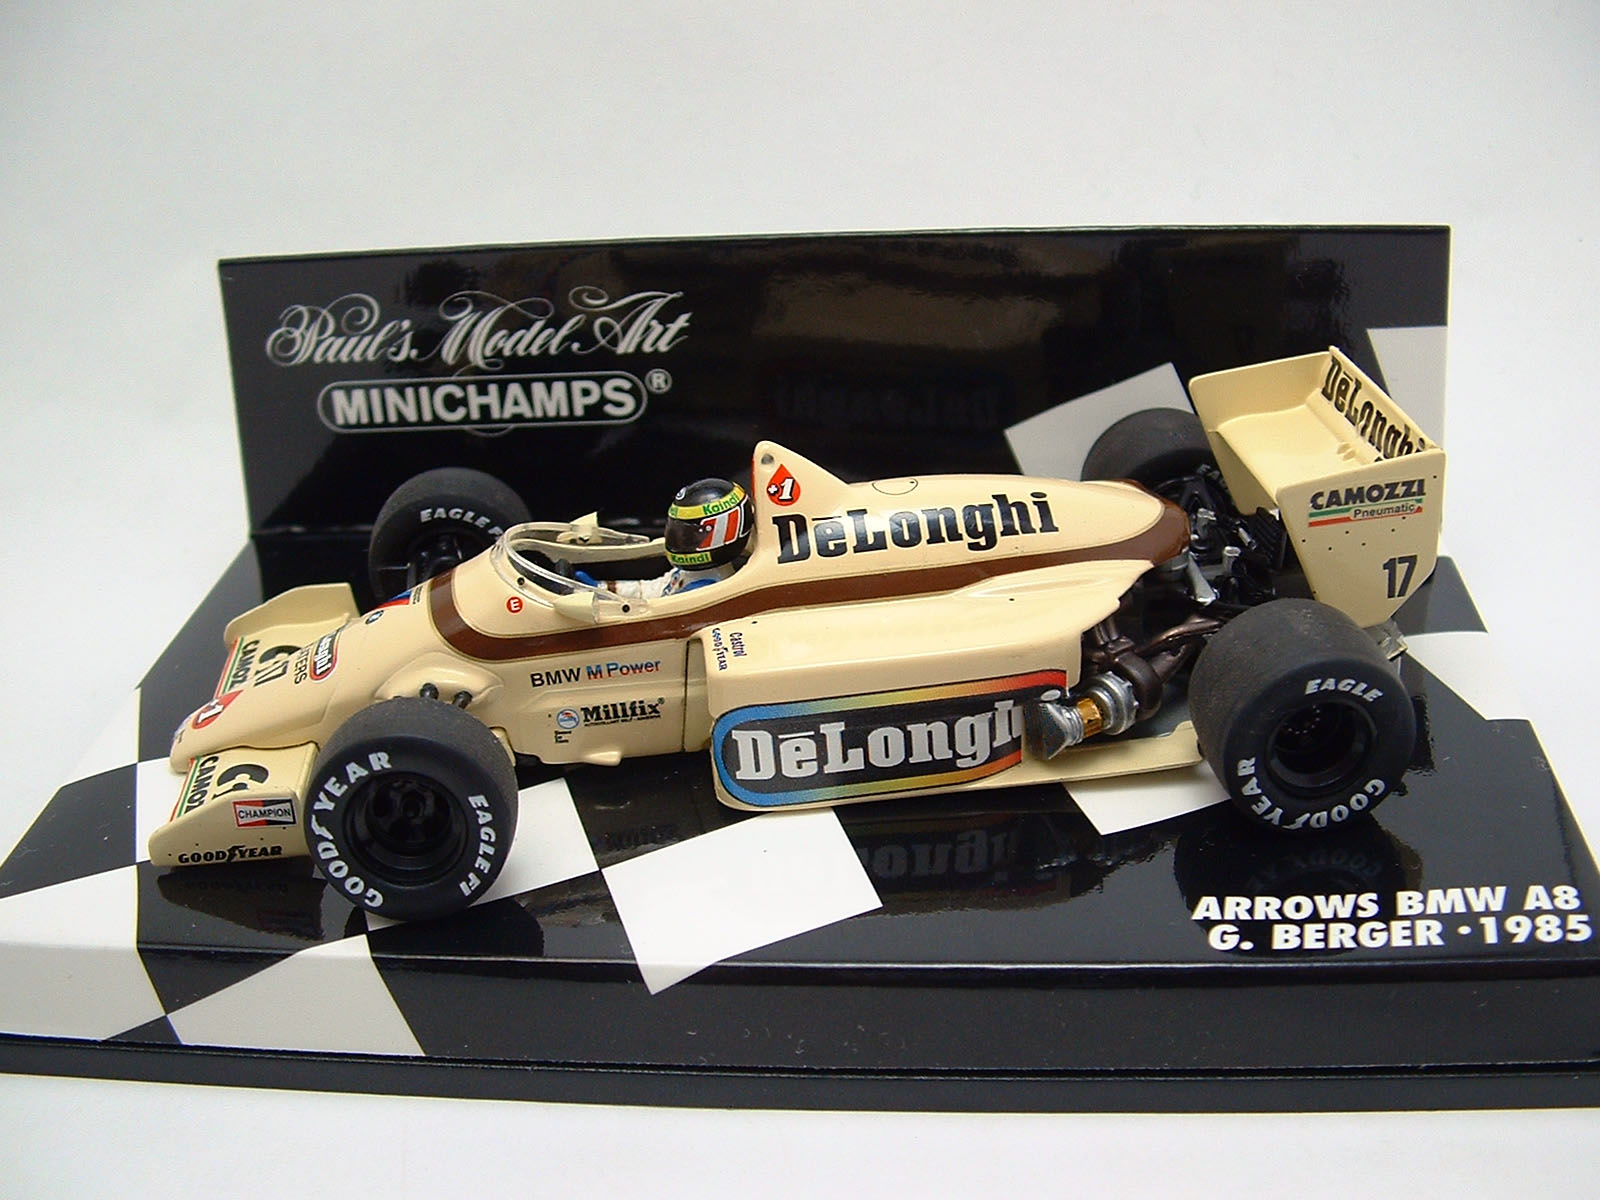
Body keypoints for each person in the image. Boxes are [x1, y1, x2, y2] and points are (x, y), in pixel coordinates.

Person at [578, 478, 754, 597]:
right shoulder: (693, 572)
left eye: (691, 533)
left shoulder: (706, 590)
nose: (680, 538)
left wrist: (598, 600)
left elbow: (650, 616)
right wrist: (600, 589)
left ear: (723, 531)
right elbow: (652, 590)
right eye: (677, 528)